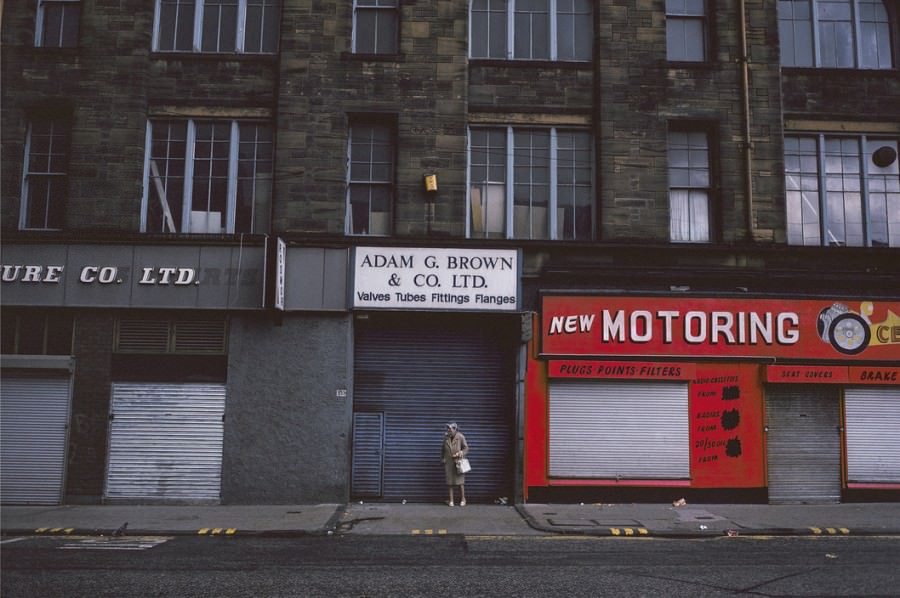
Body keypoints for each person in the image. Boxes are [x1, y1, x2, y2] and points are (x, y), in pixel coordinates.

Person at [441, 422, 468, 506]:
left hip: (458, 462)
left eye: (450, 428)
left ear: (455, 429)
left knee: (460, 482)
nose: (448, 430)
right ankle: (451, 500)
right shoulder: (446, 437)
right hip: (449, 462)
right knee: (450, 482)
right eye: (448, 428)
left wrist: (460, 453)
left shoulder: (460, 436)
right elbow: (442, 449)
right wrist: (443, 458)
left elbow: (466, 448)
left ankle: (463, 499)